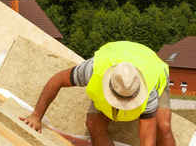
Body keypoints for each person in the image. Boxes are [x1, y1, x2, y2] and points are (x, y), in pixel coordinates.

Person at [20, 41, 174, 146]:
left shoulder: (149, 91)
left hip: (152, 66)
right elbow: (57, 80)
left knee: (163, 126)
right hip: (118, 55)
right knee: (94, 124)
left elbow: (147, 140)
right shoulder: (93, 70)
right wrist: (36, 116)